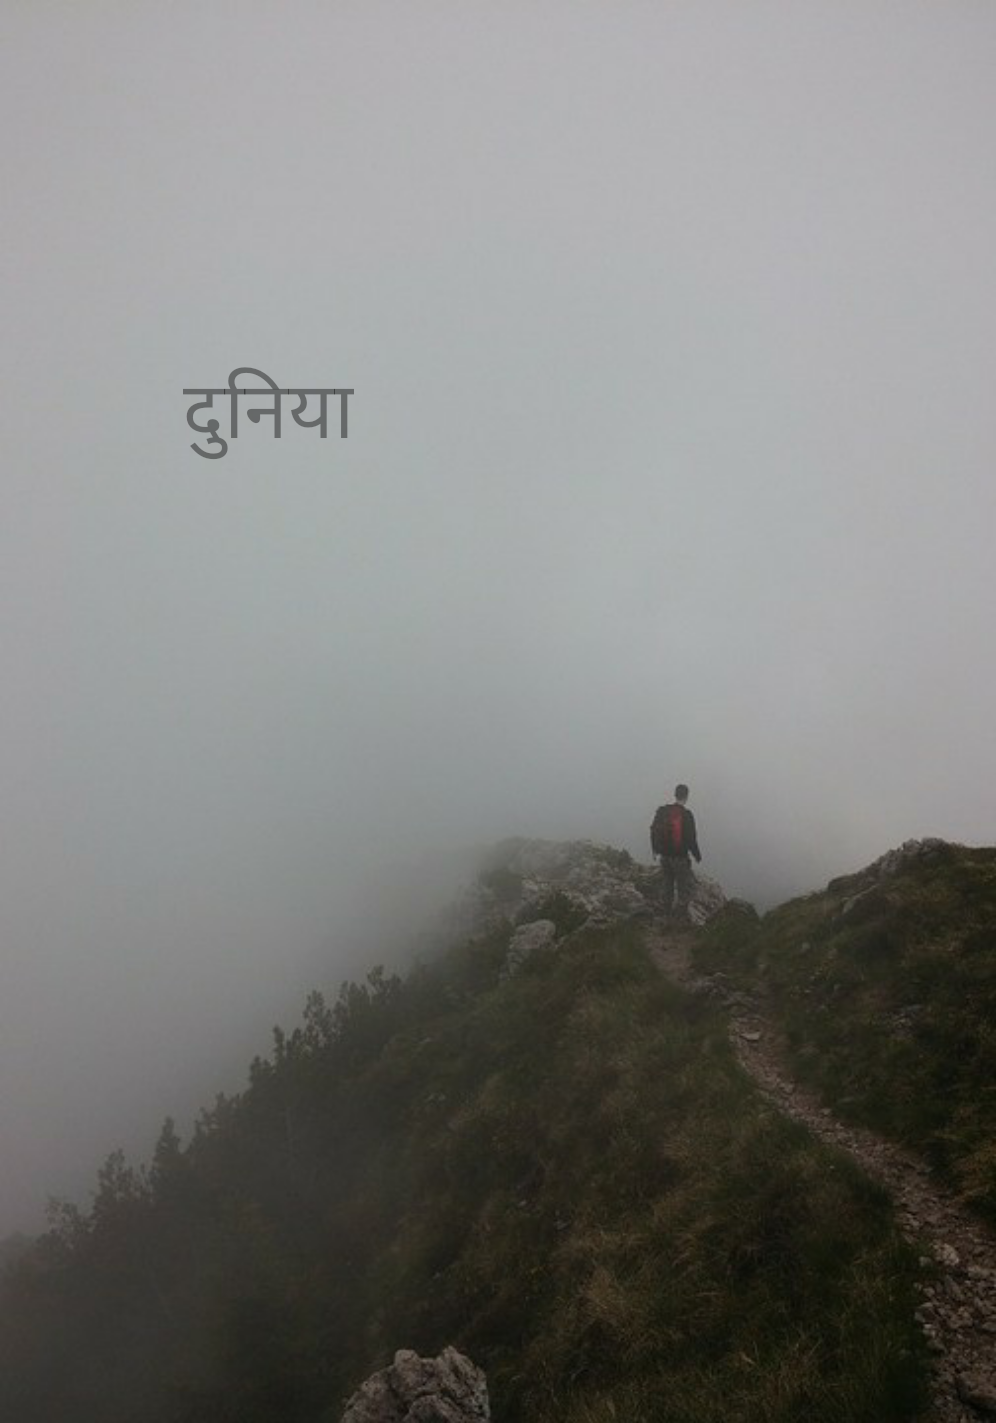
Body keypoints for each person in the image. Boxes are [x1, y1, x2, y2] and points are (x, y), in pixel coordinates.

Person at [650, 784, 702, 920]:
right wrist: (697, 855)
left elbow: (653, 829)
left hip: (664, 856)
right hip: (680, 857)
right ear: (686, 796)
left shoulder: (662, 811)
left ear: (675, 794)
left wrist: (655, 849)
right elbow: (691, 838)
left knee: (667, 883)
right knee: (683, 887)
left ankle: (665, 912)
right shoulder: (687, 815)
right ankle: (679, 918)